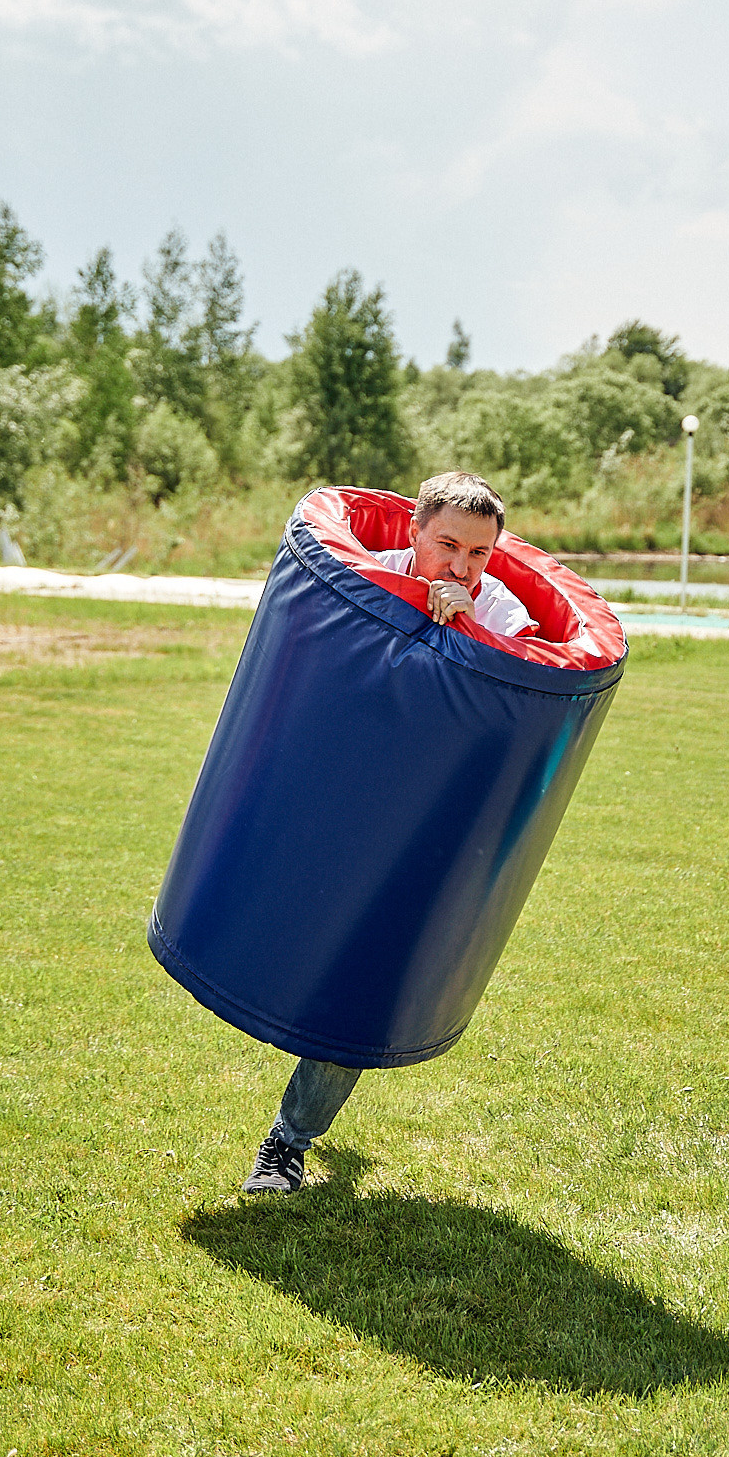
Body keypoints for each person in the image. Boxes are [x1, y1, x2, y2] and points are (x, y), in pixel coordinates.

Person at [242, 470, 533, 1193]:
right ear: (413, 531)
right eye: (448, 547)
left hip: (424, 810)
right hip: (339, 786)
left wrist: (467, 624)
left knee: (361, 974)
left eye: (479, 554)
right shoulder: (364, 579)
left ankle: (288, 1140)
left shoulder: (496, 606)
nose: (462, 567)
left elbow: (526, 677)